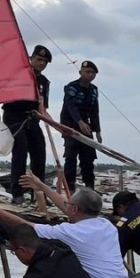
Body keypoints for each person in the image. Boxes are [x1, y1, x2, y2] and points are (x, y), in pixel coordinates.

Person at [0, 177, 140, 278]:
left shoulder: (70, 232)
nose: (66, 206)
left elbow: (24, 225)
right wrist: (41, 186)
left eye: (69, 204)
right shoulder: (106, 225)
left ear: (75, 209)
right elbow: (67, 207)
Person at [0, 45, 51, 203]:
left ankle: (38, 193)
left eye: (45, 61)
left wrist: (54, 124)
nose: (41, 63)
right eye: (39, 59)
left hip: (33, 118)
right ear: (30, 59)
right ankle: (17, 194)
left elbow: (42, 107)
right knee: (20, 153)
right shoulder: (17, 75)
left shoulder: (44, 82)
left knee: (39, 154)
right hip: (14, 116)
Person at [60, 60, 100, 192]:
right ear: (80, 72)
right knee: (71, 157)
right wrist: (79, 122)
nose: (90, 75)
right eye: (87, 72)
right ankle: (69, 189)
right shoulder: (71, 87)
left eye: (93, 72)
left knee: (88, 158)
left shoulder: (94, 90)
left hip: (86, 126)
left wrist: (97, 131)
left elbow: (95, 111)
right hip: (70, 124)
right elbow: (71, 107)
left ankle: (90, 187)